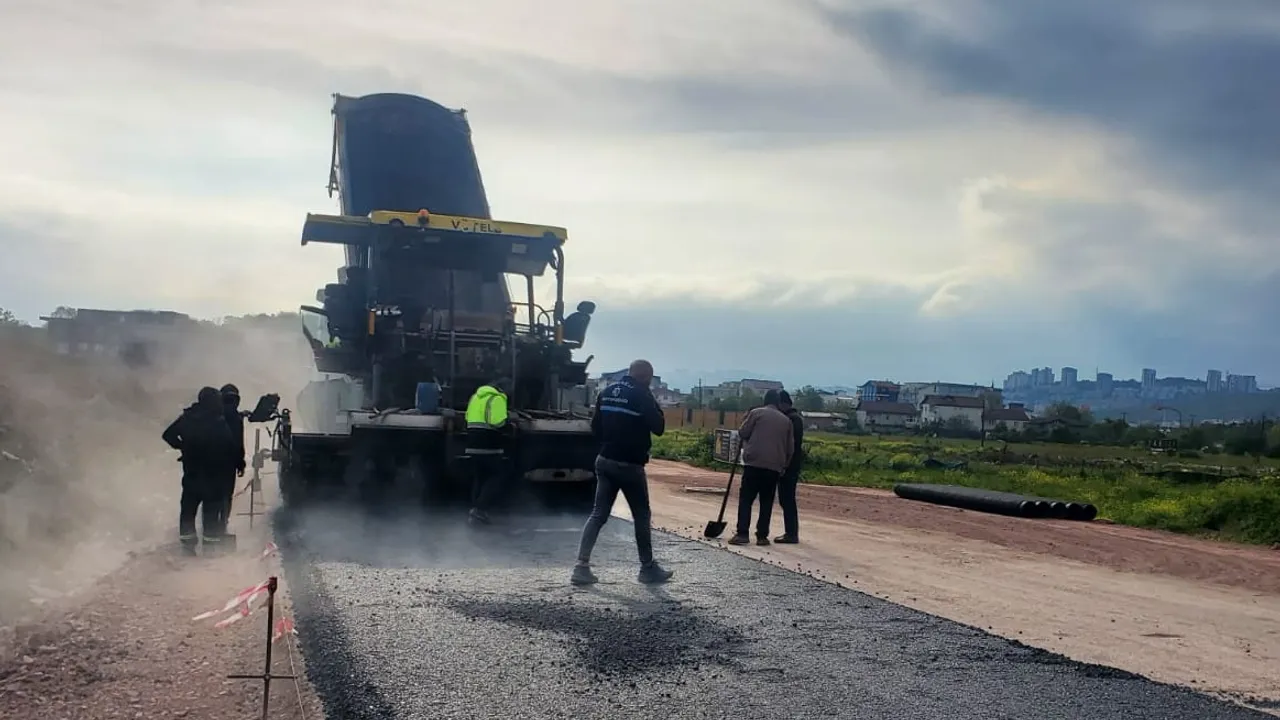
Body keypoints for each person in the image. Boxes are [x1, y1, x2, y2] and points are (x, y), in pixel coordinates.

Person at [571, 359, 674, 586]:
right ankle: (647, 568)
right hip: (630, 465)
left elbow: (595, 428)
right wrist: (651, 400)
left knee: (598, 514)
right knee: (641, 515)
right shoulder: (642, 395)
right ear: (646, 377)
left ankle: (581, 567)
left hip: (605, 460)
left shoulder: (606, 392)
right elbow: (659, 427)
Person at [162, 387, 235, 556]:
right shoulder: (218, 422)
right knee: (210, 514)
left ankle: (188, 548)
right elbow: (229, 447)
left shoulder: (188, 418)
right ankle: (209, 550)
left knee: (188, 511)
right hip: (212, 477)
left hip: (191, 475)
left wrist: (183, 447)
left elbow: (168, 435)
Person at [728, 389, 794, 546]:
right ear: (778, 403)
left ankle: (742, 533)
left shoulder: (756, 413)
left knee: (746, 499)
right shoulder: (786, 421)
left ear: (765, 401)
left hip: (754, 463)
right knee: (766, 501)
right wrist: (784, 465)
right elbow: (790, 449)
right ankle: (762, 536)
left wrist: (745, 419)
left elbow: (743, 432)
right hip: (774, 467)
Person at [464, 377, 514, 526]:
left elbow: (467, 417)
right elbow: (497, 422)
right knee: (497, 476)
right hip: (489, 443)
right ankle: (480, 509)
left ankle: (475, 509)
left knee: (479, 477)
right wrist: (509, 422)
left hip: (472, 442)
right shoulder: (498, 398)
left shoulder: (475, 397)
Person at [214, 383, 247, 538]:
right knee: (224, 496)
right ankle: (220, 526)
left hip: (216, 463)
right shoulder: (235, 418)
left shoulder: (213, 416)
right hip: (227, 464)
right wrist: (240, 462)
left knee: (216, 496)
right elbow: (238, 443)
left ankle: (214, 526)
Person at [774, 390, 805, 544]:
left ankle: (791, 533)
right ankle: (791, 532)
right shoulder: (794, 418)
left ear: (782, 404)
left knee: (787, 499)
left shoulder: (792, 420)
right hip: (790, 463)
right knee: (785, 499)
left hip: (789, 465)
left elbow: (790, 444)